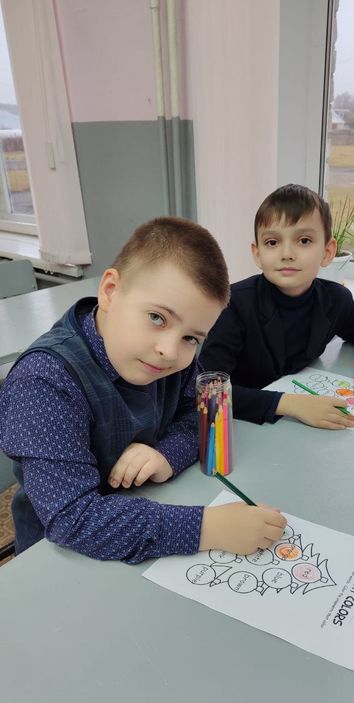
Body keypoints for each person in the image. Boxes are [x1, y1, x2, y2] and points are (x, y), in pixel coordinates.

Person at [0, 217, 286, 562]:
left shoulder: (168, 360)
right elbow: (73, 519)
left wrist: (166, 455)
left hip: (142, 516)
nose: (169, 350)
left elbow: (201, 418)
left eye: (191, 338)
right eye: (157, 318)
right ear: (110, 291)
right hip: (58, 556)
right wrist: (206, 528)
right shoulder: (44, 381)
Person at [200, 184, 354, 426]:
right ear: (257, 254)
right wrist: (288, 404)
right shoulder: (234, 304)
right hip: (241, 426)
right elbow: (208, 391)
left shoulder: (335, 299)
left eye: (304, 240)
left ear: (327, 252)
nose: (287, 253)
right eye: (272, 242)